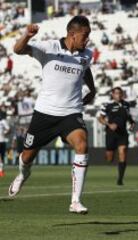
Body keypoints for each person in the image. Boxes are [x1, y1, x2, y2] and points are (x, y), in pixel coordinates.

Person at [8, 16, 96, 214]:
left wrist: (92, 89)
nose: (87, 40)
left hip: (70, 113)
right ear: (72, 34)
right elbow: (18, 50)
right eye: (85, 35)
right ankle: (22, 175)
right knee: (26, 157)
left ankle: (75, 201)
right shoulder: (49, 47)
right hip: (44, 114)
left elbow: (85, 69)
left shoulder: (87, 54)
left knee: (82, 144)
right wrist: (27, 36)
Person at [98, 87, 135, 185]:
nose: (119, 95)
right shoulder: (107, 105)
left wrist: (132, 123)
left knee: (122, 152)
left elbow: (128, 116)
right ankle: (109, 155)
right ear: (113, 95)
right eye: (117, 93)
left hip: (122, 133)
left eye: (120, 93)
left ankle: (120, 179)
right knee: (109, 158)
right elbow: (100, 118)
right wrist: (109, 125)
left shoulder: (126, 105)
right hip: (111, 134)